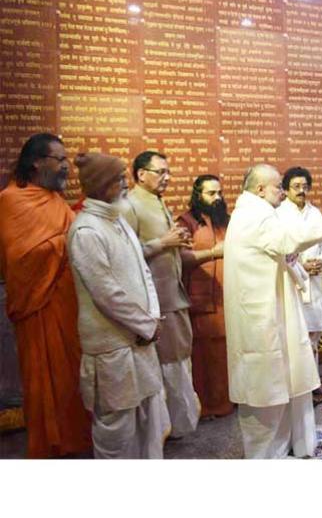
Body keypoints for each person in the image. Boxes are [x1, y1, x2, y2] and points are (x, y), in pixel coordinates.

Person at [224, 164, 322, 459]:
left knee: (284, 384)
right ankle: (267, 457)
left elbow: (283, 253)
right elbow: (290, 240)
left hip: (275, 309)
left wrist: (300, 269)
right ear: (260, 189)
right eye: (278, 186)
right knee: (267, 391)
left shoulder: (254, 212)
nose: (282, 192)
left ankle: (288, 447)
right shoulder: (254, 215)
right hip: (263, 318)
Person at [67, 153, 170, 458]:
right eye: (120, 180)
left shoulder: (117, 220)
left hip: (140, 341)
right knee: (117, 433)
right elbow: (107, 294)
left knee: (149, 427)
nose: (126, 185)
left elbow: (143, 273)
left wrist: (152, 320)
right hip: (113, 349)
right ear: (102, 185)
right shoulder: (86, 231)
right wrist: (147, 325)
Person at [0, 133, 91, 458]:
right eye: (60, 160)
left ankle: (75, 441)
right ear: (37, 162)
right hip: (37, 308)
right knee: (45, 384)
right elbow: (20, 257)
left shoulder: (54, 201)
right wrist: (66, 240)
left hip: (68, 308)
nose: (66, 167)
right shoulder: (12, 201)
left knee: (71, 382)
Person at [120, 151, 200, 438]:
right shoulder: (129, 205)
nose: (166, 177)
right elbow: (124, 256)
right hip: (153, 302)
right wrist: (163, 242)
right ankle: (162, 430)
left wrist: (176, 243)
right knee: (165, 367)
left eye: (168, 172)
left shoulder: (155, 201)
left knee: (178, 363)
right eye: (160, 172)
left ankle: (178, 427)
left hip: (172, 294)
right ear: (141, 174)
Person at [176, 175, 234, 418]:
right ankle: (206, 408)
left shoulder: (228, 221)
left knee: (226, 354)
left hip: (229, 298)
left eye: (219, 192)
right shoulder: (187, 222)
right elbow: (181, 258)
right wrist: (213, 253)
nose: (217, 198)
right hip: (202, 301)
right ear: (197, 195)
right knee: (204, 357)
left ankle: (229, 402)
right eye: (211, 193)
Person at [276, 167, 322, 364]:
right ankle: (297, 384)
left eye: (305, 186)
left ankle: (314, 381)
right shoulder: (279, 214)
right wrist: (300, 265)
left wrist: (321, 260)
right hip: (291, 280)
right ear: (285, 190)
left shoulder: (315, 213)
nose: (301, 191)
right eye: (296, 187)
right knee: (294, 334)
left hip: (314, 280)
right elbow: (279, 248)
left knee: (314, 333)